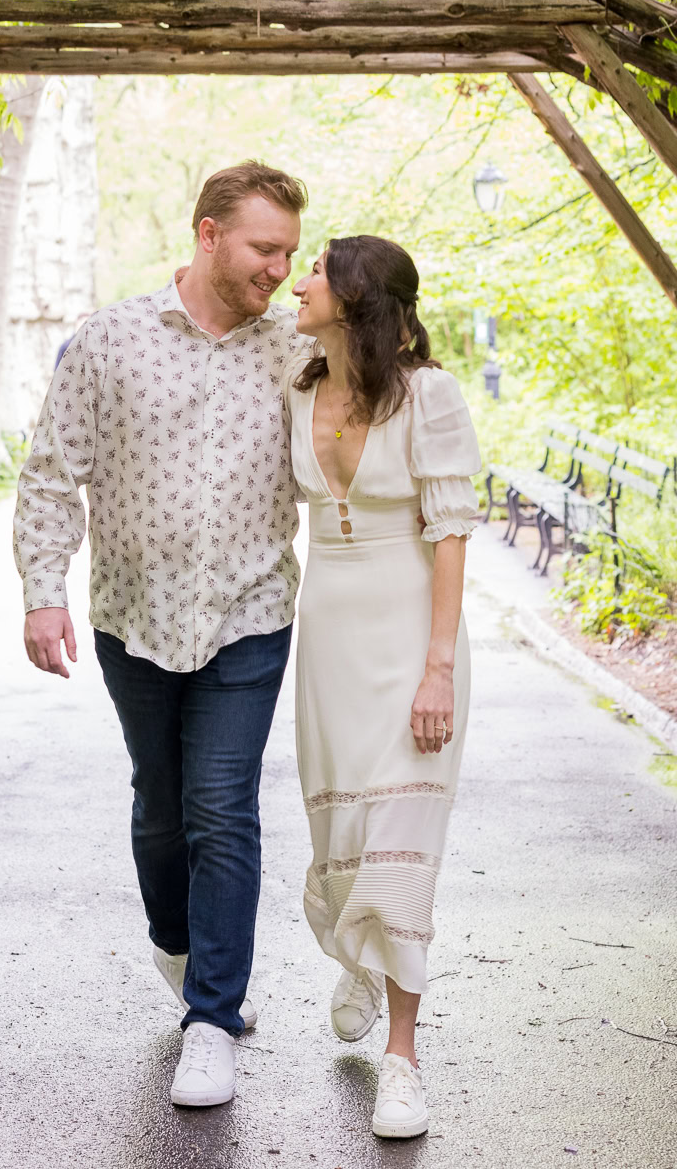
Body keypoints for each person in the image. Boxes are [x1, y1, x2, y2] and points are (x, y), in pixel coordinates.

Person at [13, 161, 309, 1110]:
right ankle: (183, 953)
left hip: (251, 614)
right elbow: (54, 472)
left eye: (290, 254)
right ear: (208, 234)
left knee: (223, 806)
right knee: (161, 805)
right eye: (266, 249)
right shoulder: (109, 340)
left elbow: (359, 437)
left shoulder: (298, 352)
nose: (278, 269)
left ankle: (213, 1022)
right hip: (132, 617)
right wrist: (41, 591)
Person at [287, 235, 482, 1140]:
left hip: (411, 642)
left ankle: (403, 1060)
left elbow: (450, 533)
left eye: (316, 275)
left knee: (401, 844)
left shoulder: (429, 396)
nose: (298, 284)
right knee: (343, 830)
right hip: (326, 639)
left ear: (356, 301)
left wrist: (437, 668)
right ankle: (358, 964)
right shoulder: (295, 385)